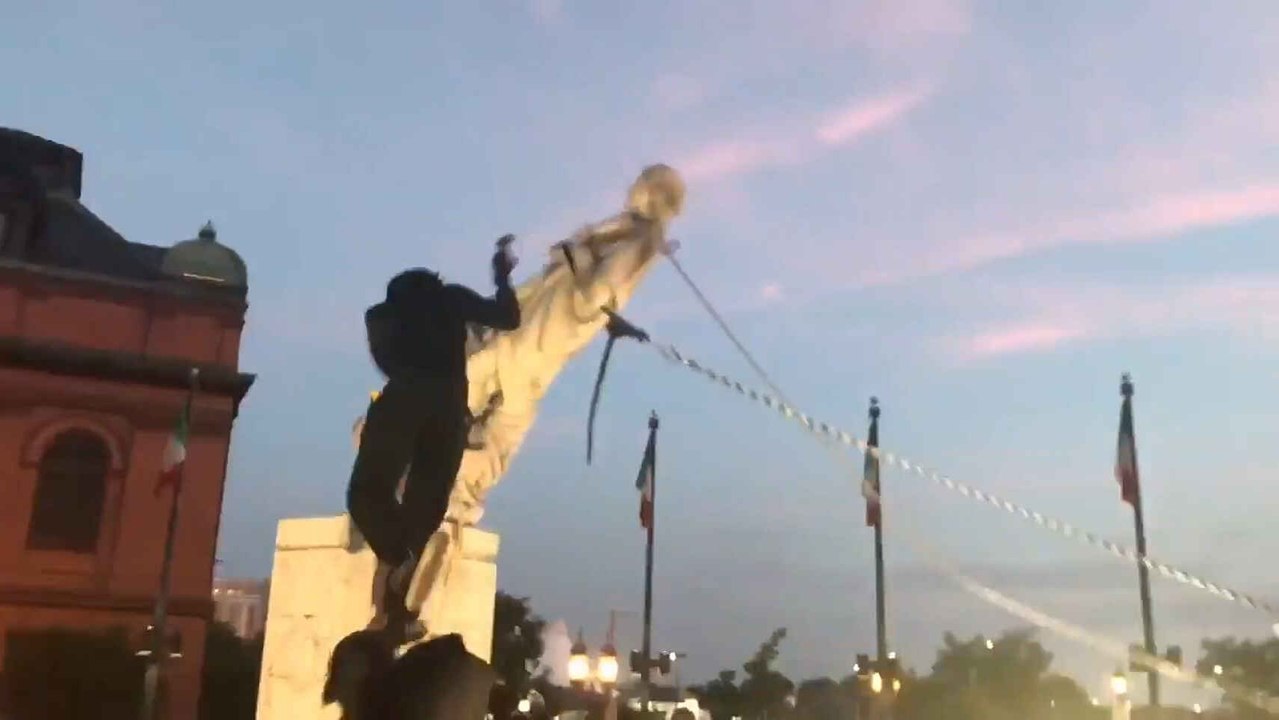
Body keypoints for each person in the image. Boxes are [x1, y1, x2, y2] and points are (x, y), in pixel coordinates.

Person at [349, 235, 521, 639]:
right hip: (448, 411)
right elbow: (509, 318)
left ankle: (397, 566)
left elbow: (385, 360)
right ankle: (399, 602)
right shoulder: (453, 299)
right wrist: (502, 277)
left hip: (405, 398)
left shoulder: (381, 316)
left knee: (367, 492)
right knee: (424, 507)